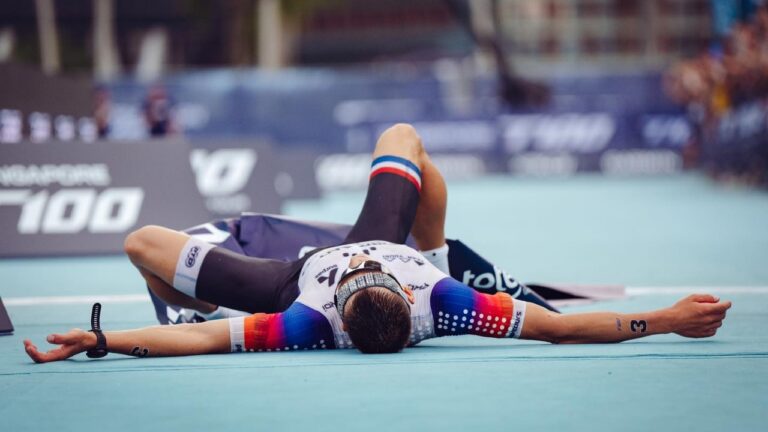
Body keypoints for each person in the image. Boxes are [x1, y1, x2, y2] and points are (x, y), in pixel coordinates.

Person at [23, 124, 732, 362]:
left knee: (143, 243)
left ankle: (196, 297)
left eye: (359, 273)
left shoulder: (304, 320)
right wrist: (666, 319)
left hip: (285, 278)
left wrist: (107, 341)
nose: (360, 266)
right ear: (402, 286)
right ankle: (438, 241)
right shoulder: (447, 301)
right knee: (401, 142)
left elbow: (203, 346)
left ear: (344, 306)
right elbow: (561, 328)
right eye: (371, 271)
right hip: (403, 243)